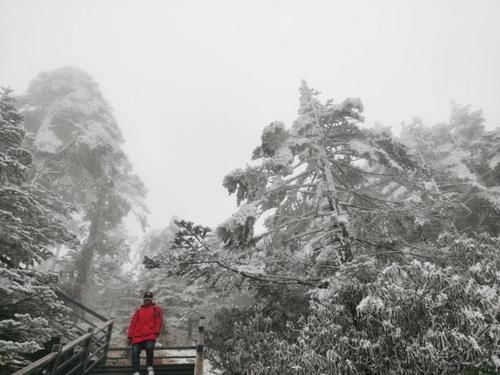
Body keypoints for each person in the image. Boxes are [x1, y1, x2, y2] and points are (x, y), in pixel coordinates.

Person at [127, 291, 164, 375]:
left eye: (149, 299)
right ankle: (136, 371)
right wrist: (129, 335)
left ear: (151, 300)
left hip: (150, 334)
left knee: (149, 347)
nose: (147, 301)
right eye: (145, 299)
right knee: (135, 351)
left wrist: (156, 332)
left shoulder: (156, 309)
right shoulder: (138, 310)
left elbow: (158, 321)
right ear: (143, 300)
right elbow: (133, 323)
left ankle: (150, 367)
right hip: (137, 335)